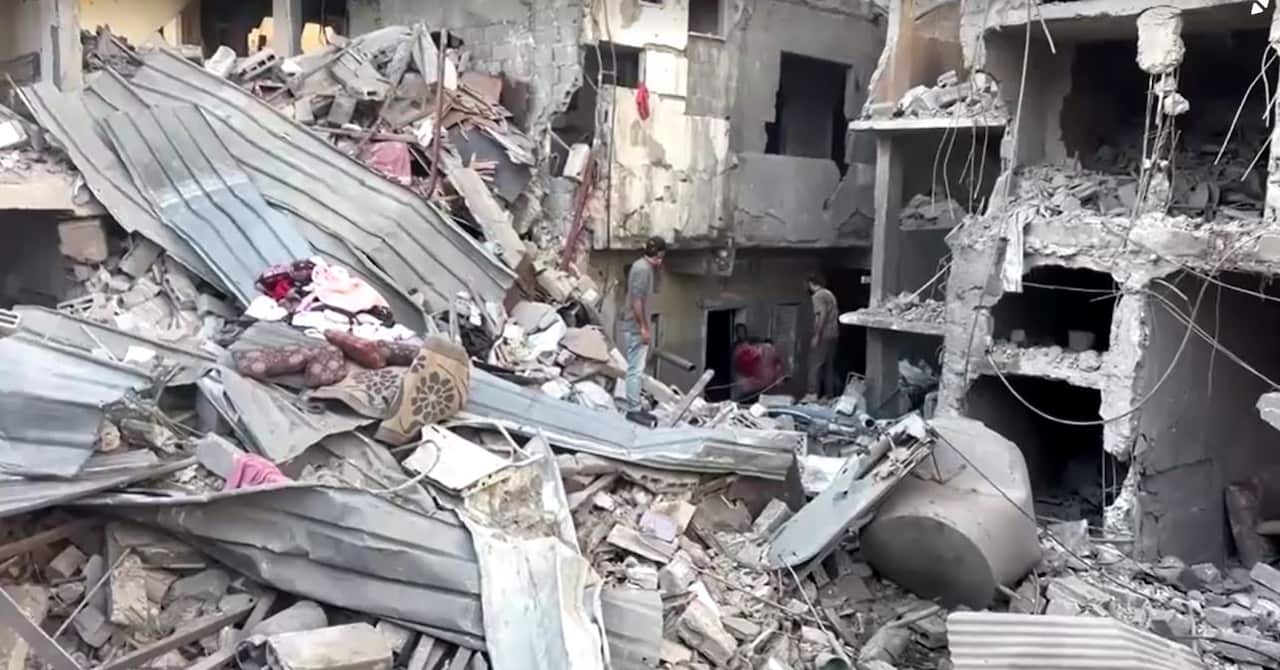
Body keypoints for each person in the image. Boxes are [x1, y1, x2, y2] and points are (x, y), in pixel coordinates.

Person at [621, 236, 667, 412]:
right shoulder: (643, 270)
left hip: (635, 326)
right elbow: (636, 300)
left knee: (636, 369)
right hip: (635, 328)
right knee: (635, 370)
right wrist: (644, 328)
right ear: (660, 254)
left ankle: (635, 403)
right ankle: (634, 408)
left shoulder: (642, 266)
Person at [732, 324, 786, 402]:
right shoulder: (739, 349)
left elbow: (778, 365)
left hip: (763, 387)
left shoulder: (767, 352)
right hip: (746, 387)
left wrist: (779, 378)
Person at [807, 274, 840, 400]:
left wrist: (816, 335)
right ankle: (829, 396)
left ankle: (812, 394)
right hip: (834, 334)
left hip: (824, 335)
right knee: (829, 367)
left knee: (815, 364)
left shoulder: (818, 296)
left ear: (811, 283)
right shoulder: (830, 294)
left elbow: (821, 315)